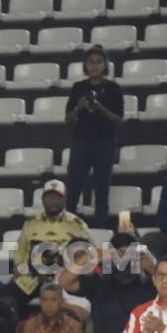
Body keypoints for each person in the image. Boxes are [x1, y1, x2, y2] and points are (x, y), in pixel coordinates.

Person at [0, 179, 93, 313]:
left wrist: (71, 274)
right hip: (32, 279)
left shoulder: (77, 224)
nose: (53, 201)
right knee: (1, 302)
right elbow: (20, 253)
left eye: (57, 197)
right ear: (42, 200)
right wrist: (21, 272)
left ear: (65, 199)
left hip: (64, 280)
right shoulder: (31, 224)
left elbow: (89, 254)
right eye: (49, 197)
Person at [64, 44, 125, 227]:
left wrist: (101, 108)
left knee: (101, 190)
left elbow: (118, 120)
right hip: (81, 141)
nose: (95, 66)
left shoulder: (113, 88)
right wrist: (79, 107)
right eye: (91, 62)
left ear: (105, 65)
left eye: (99, 62)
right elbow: (68, 120)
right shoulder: (78, 87)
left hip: (104, 142)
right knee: (73, 188)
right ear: (86, 65)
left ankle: (100, 230)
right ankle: (68, 229)